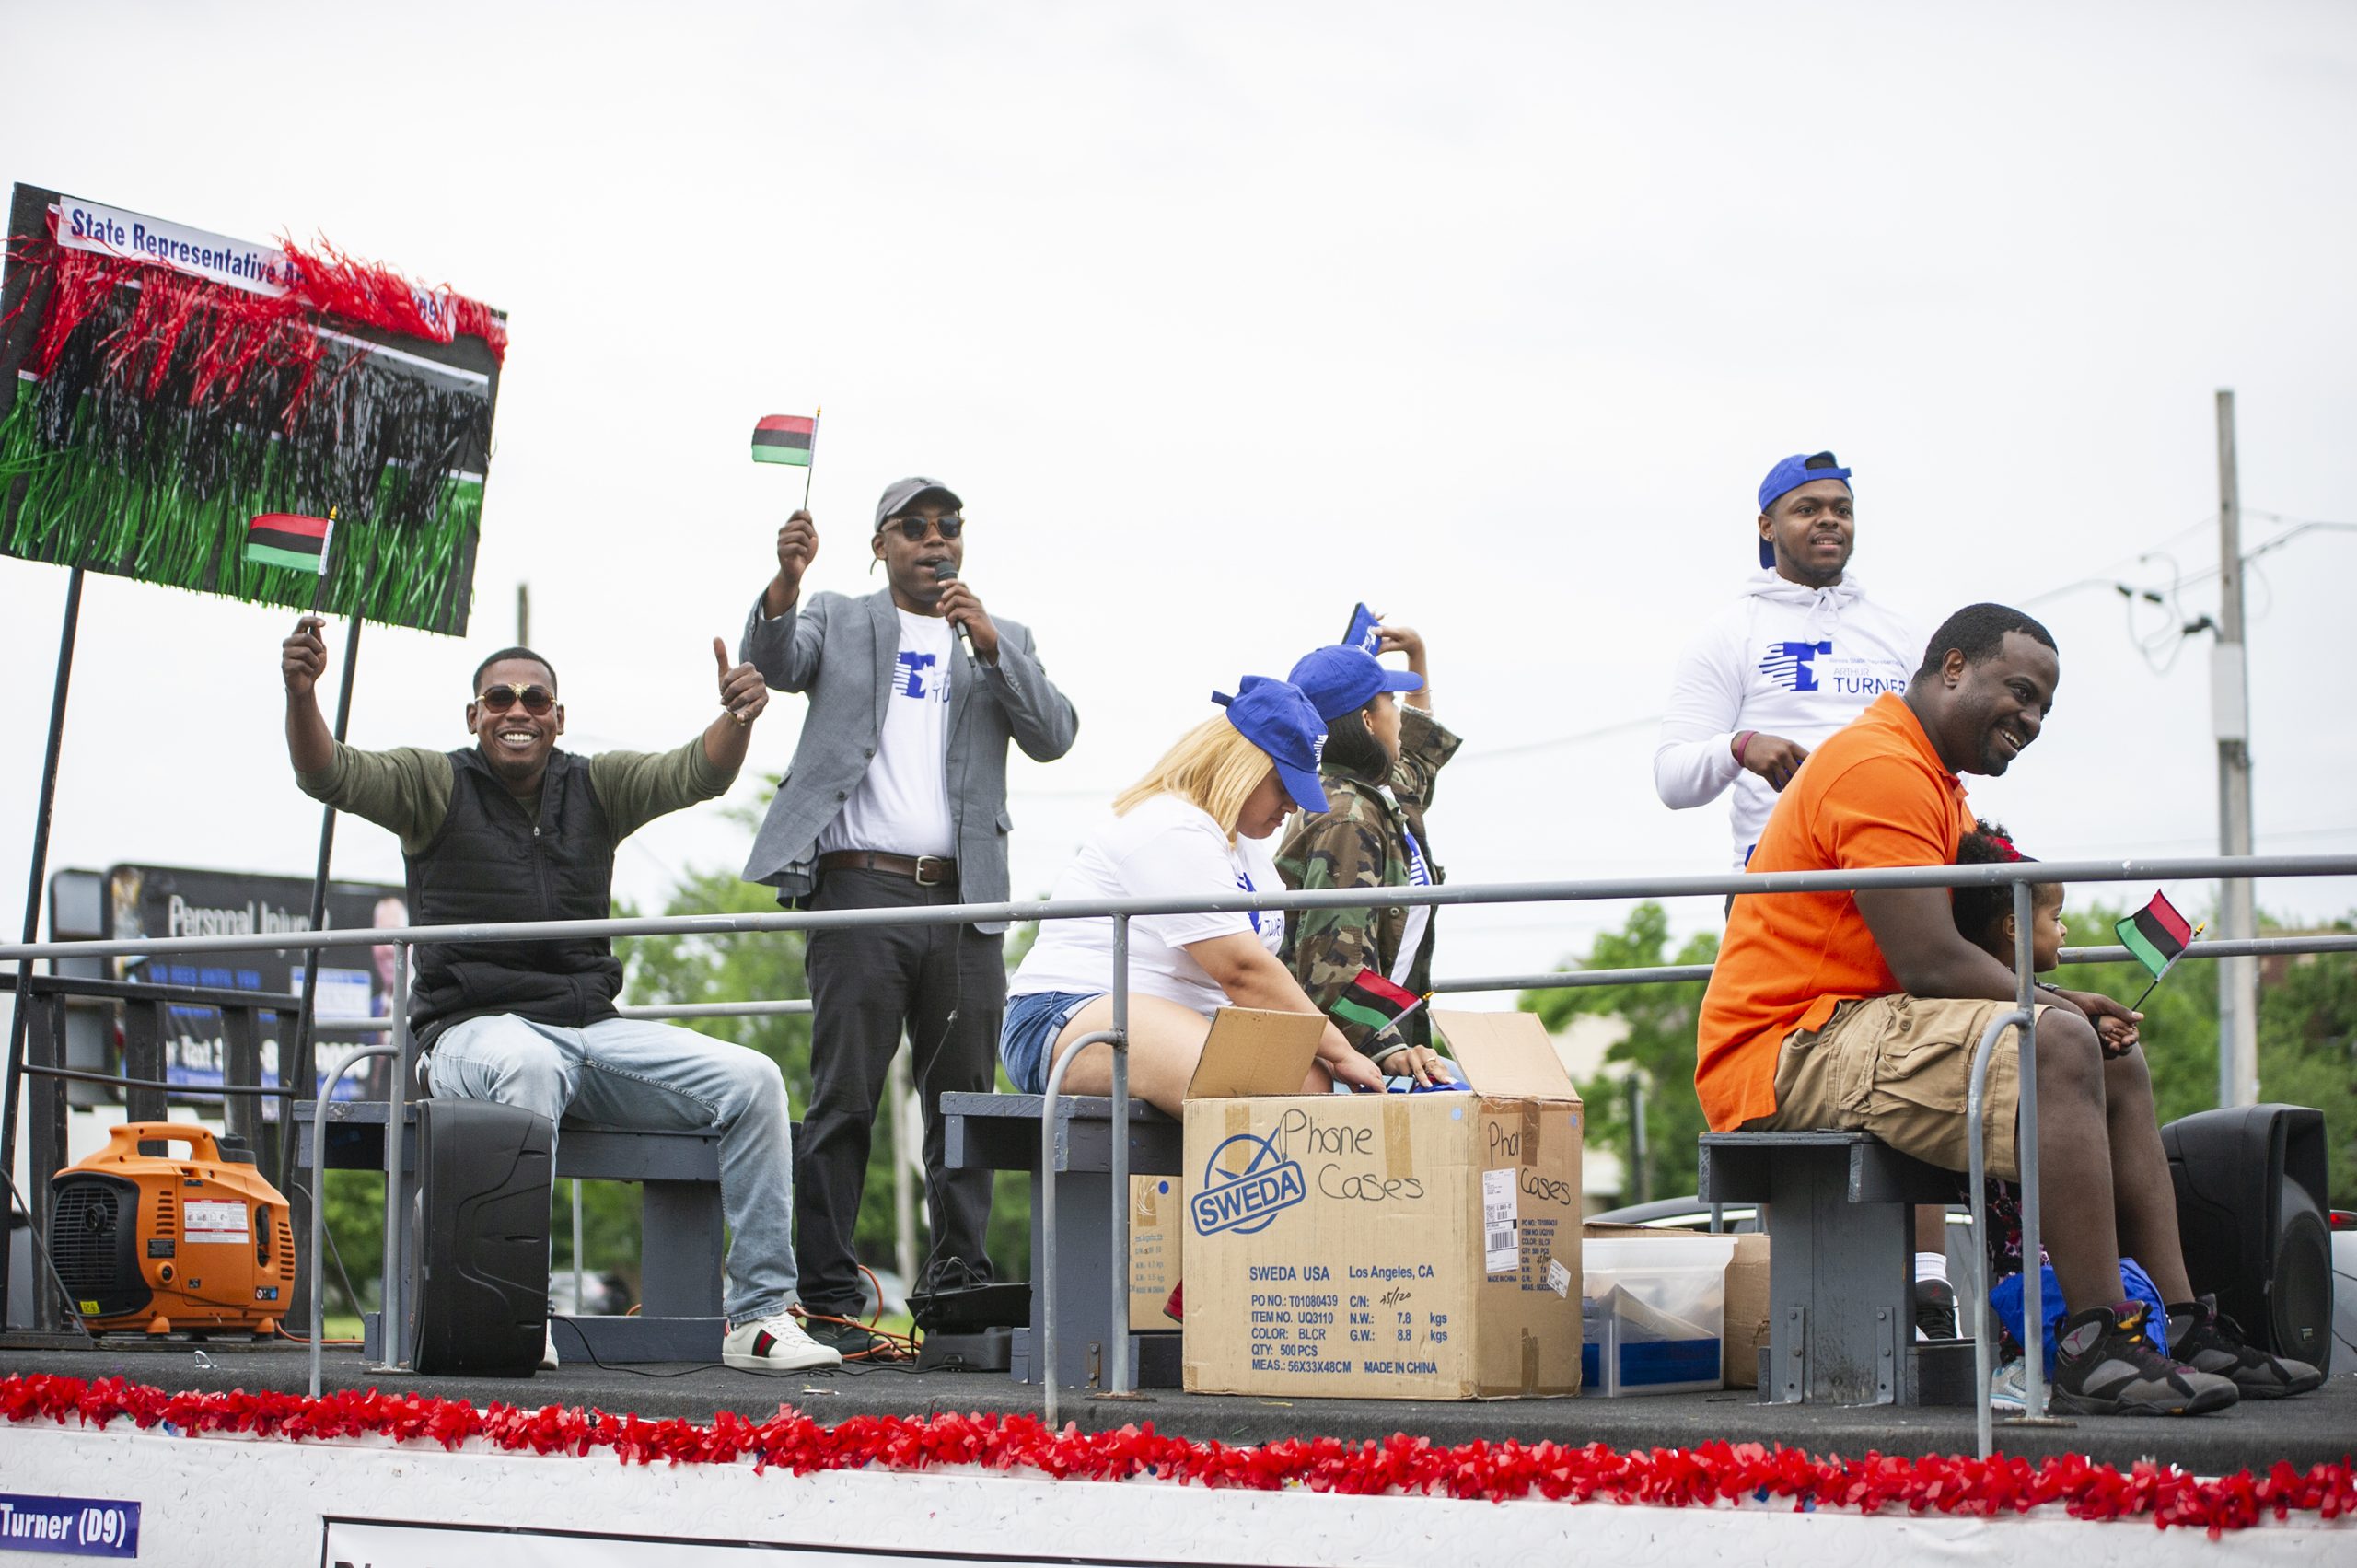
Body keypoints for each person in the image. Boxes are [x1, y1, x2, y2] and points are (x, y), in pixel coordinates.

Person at [1694, 602, 2321, 1415]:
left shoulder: (1937, 784)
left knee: (2111, 1054)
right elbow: (1928, 960)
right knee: (2055, 1039)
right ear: (1953, 666)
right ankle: (2097, 1341)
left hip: (1855, 1025)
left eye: (2044, 708)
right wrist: (2059, 1007)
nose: (2030, 719)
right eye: (2021, 692)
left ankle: (2180, 1321)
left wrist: (2071, 1003)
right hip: (1786, 1046)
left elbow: (1963, 956)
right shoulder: (1878, 765)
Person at [281, 617, 839, 1373]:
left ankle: (760, 1316)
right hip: (469, 1032)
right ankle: (516, 1310)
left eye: (535, 699)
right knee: (529, 1063)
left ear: (559, 716)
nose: (518, 710)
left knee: (755, 1079)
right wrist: (303, 692)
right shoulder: (433, 783)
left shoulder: (595, 786)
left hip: (588, 1030)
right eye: (499, 698)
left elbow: (695, 773)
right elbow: (328, 773)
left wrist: (737, 718)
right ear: (473, 715)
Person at [739, 476, 1078, 1355]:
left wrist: (992, 644)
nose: (936, 541)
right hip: (861, 891)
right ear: (880, 544)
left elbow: (1055, 734)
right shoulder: (840, 616)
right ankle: (828, 1296)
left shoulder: (1002, 638)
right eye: (915, 527)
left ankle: (958, 1290)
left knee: (963, 1103)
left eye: (948, 527)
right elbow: (777, 661)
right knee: (844, 1096)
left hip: (966, 899)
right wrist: (785, 583)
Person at [1652, 449, 1952, 1334]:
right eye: (1808, 508)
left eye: (1841, 508)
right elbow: (1671, 776)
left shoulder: (1898, 631)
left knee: (1930, 1050)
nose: (1829, 521)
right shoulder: (1729, 633)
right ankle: (1791, 1295)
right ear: (1766, 525)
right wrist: (1739, 747)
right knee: (1785, 1077)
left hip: (1897, 872)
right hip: (1782, 889)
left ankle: (1930, 1283)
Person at [1000, 678, 1388, 1118]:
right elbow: (1242, 970)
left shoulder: (1247, 852)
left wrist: (1341, 1054)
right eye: (1284, 787)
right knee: (1271, 1086)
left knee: (1310, 1081)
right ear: (1241, 767)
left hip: (1179, 1017)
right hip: (1064, 1013)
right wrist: (1341, 1051)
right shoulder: (1171, 825)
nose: (1293, 807)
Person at [1273, 633, 1458, 1084]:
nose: (1399, 715)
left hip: (1372, 1036)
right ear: (1367, 720)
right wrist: (1388, 1049)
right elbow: (1332, 969)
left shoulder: (1372, 794)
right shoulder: (1348, 819)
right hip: (1346, 1053)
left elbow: (1418, 758)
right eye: (1390, 701)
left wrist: (1417, 655)